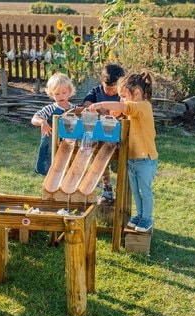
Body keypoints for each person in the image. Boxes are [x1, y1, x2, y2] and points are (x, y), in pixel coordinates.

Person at [88, 71, 158, 233]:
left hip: (145, 158)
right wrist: (119, 114)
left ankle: (147, 218)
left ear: (137, 93)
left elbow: (124, 107)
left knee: (144, 191)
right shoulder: (133, 109)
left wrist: (99, 105)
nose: (121, 100)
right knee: (135, 190)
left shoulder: (143, 106)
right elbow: (125, 113)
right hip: (133, 159)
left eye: (124, 96)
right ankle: (140, 215)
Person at [82, 63, 125, 203]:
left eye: (114, 89)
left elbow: (127, 110)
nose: (111, 92)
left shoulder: (123, 96)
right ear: (102, 82)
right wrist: (100, 109)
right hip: (100, 139)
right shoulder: (97, 91)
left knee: (118, 167)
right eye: (108, 88)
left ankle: (121, 190)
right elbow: (87, 103)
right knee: (100, 160)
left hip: (118, 139)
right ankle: (107, 188)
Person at [31, 73, 77, 176]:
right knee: (50, 169)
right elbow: (34, 119)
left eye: (64, 92)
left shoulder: (75, 109)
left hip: (69, 144)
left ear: (70, 92)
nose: (61, 96)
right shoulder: (50, 108)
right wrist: (42, 122)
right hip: (50, 144)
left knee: (67, 170)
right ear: (51, 94)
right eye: (57, 94)